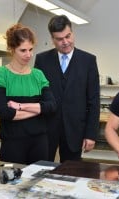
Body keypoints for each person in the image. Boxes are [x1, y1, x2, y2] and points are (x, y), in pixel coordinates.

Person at [34, 15, 100, 163]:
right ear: (52, 39)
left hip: (75, 130)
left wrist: (90, 134)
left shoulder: (88, 61)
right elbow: (37, 97)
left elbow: (94, 101)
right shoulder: (42, 60)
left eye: (68, 36)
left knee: (71, 174)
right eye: (59, 39)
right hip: (46, 129)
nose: (65, 42)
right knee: (42, 170)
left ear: (72, 32)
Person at [0, 24, 56, 165]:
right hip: (13, 143)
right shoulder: (0, 74)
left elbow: (51, 106)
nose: (29, 55)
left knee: (39, 182)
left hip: (40, 142)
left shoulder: (38, 75)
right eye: (23, 50)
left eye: (31, 49)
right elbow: (4, 112)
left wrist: (20, 106)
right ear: (12, 50)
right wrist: (38, 110)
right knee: (12, 184)